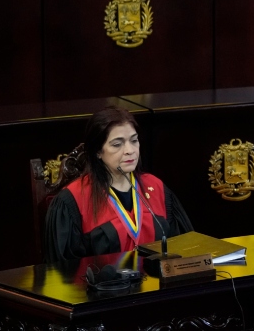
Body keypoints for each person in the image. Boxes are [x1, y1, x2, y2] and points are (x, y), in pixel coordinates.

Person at [44, 106, 192, 262]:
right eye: (117, 144)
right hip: (104, 286)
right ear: (98, 151)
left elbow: (185, 251)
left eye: (134, 141)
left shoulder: (156, 188)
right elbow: (62, 272)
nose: (130, 150)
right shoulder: (73, 201)